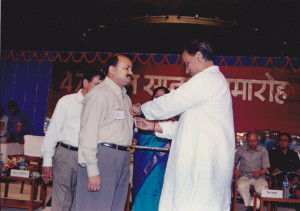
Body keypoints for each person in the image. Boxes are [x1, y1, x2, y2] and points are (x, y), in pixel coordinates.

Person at [130, 39, 235, 211]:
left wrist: (141, 109)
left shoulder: (207, 79)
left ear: (199, 56)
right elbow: (188, 127)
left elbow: (172, 102)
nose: (186, 70)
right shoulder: (209, 82)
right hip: (199, 164)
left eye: (187, 64)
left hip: (202, 165)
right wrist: (155, 127)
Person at [76, 55, 134, 211]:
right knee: (94, 206)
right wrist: (92, 170)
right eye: (126, 68)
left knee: (116, 206)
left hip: (122, 157)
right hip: (103, 156)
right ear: (112, 70)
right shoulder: (99, 94)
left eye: (131, 68)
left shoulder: (125, 98)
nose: (131, 72)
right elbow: (88, 134)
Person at [41, 70, 104, 211]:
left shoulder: (101, 106)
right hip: (67, 154)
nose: (99, 89)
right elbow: (53, 131)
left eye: (102, 86)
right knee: (62, 199)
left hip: (90, 157)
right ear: (85, 82)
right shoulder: (67, 101)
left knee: (84, 200)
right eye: (96, 84)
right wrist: (47, 160)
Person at [133, 86, 179, 211]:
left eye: (163, 97)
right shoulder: (143, 118)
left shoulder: (174, 120)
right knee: (142, 193)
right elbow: (133, 136)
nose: (159, 99)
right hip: (142, 162)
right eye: (157, 96)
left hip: (162, 165)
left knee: (158, 193)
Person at [234, 132, 270, 211]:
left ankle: (250, 208)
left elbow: (265, 168)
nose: (252, 143)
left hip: (259, 177)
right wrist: (235, 169)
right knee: (241, 186)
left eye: (254, 140)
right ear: (246, 140)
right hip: (244, 176)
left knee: (264, 190)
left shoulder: (263, 151)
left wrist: (259, 173)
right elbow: (234, 162)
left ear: (258, 141)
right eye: (250, 141)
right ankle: (251, 206)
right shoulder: (241, 149)